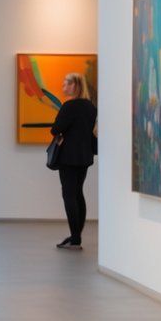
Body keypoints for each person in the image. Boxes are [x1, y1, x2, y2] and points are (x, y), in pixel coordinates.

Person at [50, 72, 97, 250]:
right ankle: (76, 236)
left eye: (67, 84)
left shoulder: (69, 106)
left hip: (68, 157)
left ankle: (75, 238)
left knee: (69, 195)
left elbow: (56, 129)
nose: (64, 87)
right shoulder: (90, 107)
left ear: (75, 86)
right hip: (85, 156)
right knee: (78, 193)